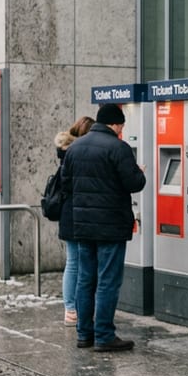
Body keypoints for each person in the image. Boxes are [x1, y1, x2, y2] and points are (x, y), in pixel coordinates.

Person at [59, 103, 146, 352]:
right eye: (121, 126)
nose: (121, 130)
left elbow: (66, 185)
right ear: (116, 124)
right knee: (108, 280)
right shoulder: (119, 148)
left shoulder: (75, 148)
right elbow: (134, 183)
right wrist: (140, 173)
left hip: (83, 226)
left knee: (86, 279)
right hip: (111, 226)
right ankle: (104, 335)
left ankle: (84, 334)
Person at [54, 115, 95, 326]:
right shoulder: (78, 154)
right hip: (76, 215)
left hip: (68, 215)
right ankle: (73, 309)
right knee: (77, 263)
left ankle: (71, 309)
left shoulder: (66, 153)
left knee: (73, 263)